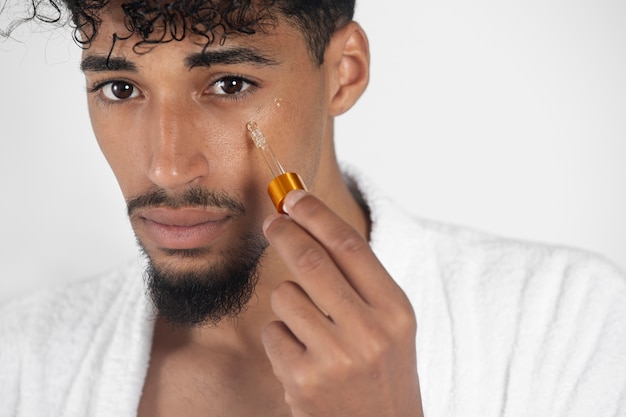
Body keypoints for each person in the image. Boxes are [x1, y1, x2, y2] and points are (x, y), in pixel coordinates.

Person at [0, 1, 625, 416]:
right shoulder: (22, 358)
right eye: (120, 88)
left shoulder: (568, 324)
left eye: (229, 84)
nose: (166, 167)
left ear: (343, 74)